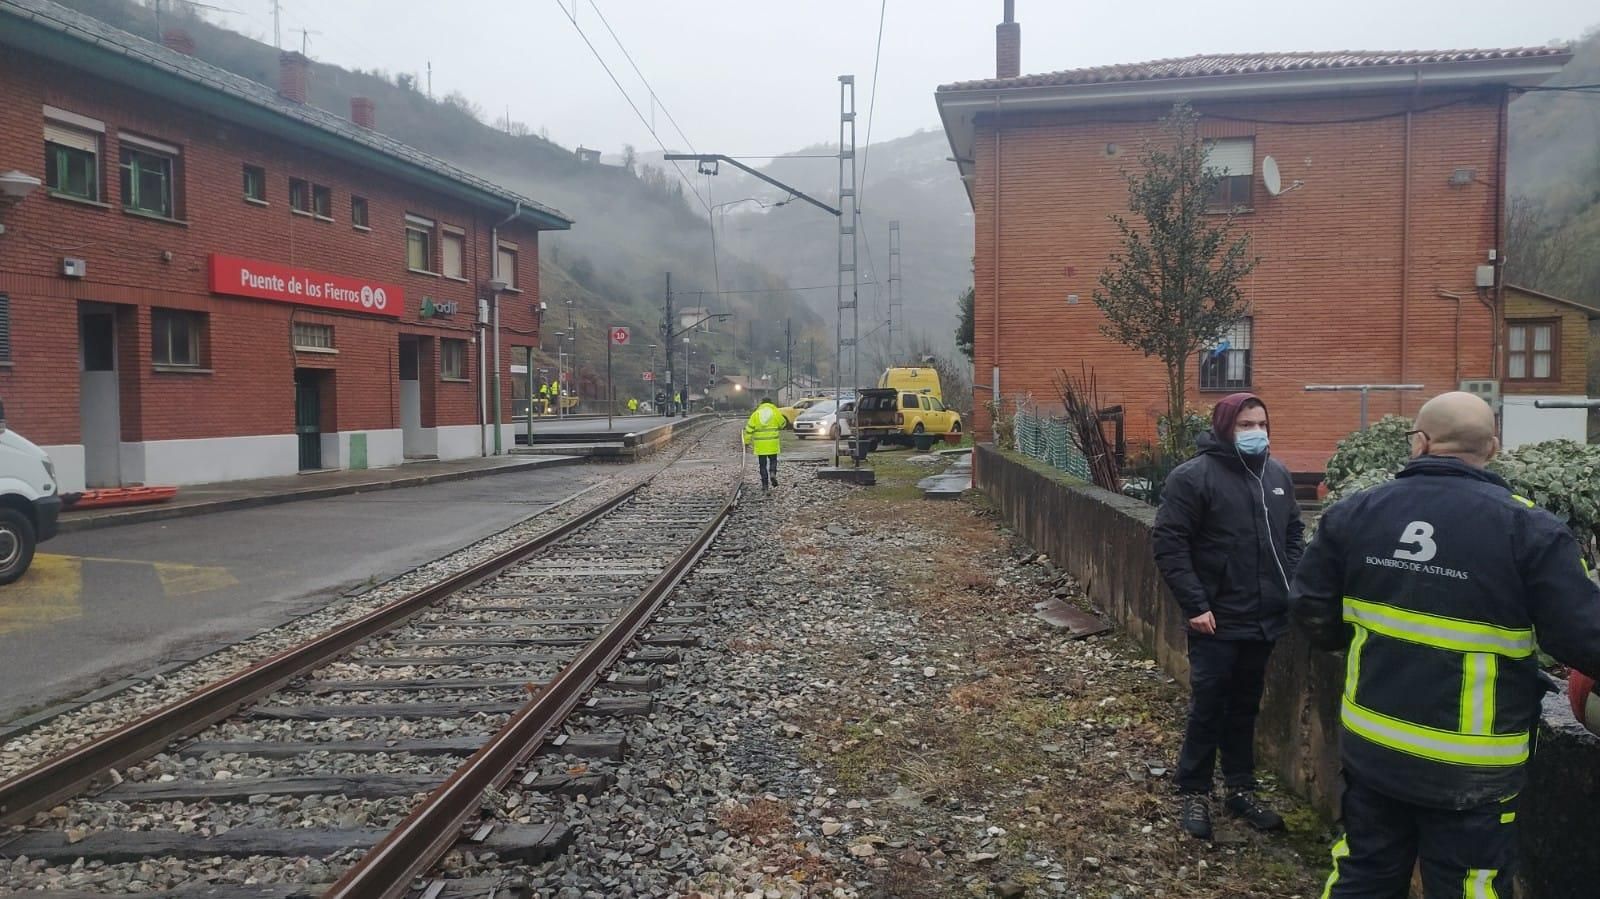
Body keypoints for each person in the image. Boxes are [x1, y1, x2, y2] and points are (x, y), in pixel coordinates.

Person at [1289, 391, 1600, 896]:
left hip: (1375, 748)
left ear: (1420, 442)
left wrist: (1374, 650)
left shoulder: (1356, 513)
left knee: (1363, 873)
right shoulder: (1530, 530)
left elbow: (1309, 611)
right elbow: (1585, 639)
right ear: (1493, 448)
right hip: (1473, 769)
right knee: (1470, 887)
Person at [1152, 392, 1304, 839]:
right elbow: (1169, 543)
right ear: (1224, 428)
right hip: (1216, 618)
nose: (1256, 432)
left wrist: (1289, 581)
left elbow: (1293, 531)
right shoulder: (1193, 477)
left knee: (1245, 707)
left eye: (1261, 423)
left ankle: (1240, 788)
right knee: (1209, 706)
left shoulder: (1276, 475)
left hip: (1264, 617)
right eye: (1245, 425)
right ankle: (1193, 789)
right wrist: (1196, 604)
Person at [743, 396, 784, 490]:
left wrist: (747, 442)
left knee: (762, 465)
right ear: (771, 403)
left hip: (760, 445)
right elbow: (782, 424)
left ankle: (765, 485)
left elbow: (749, 429)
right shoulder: (775, 412)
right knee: (773, 461)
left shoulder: (756, 414)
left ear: (761, 403)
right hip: (772, 443)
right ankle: (773, 473)